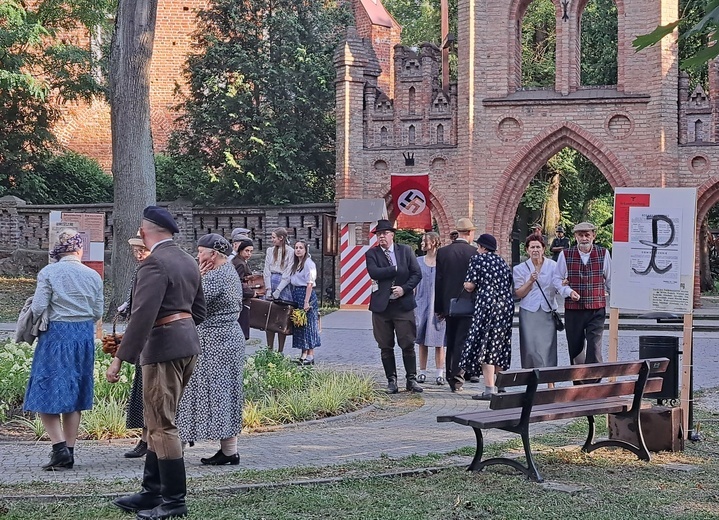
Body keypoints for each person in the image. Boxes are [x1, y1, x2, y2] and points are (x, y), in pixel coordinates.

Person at [107, 206, 206, 520]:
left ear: (146, 231)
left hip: (162, 348)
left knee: (162, 426)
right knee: (155, 421)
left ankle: (174, 502)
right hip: (186, 345)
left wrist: (120, 360)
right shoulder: (188, 260)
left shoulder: (154, 264)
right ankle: (151, 492)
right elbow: (199, 311)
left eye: (140, 230)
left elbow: (142, 317)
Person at [23, 229, 103, 470]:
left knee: (44, 390)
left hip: (56, 336)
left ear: (58, 248)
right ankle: (69, 450)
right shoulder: (93, 275)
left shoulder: (49, 272)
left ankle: (58, 449)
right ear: (80, 249)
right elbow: (98, 312)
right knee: (75, 394)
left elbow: (38, 307)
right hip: (82, 336)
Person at [176, 233, 244, 466]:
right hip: (227, 340)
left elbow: (189, 300)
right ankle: (229, 450)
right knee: (225, 392)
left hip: (214, 341)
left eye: (201, 252)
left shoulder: (217, 275)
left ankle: (176, 449)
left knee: (191, 392)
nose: (197, 255)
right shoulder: (228, 271)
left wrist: (198, 276)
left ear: (213, 254)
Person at [365, 219, 423, 394]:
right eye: (378, 234)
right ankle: (392, 380)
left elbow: (416, 274)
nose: (381, 237)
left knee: (407, 342)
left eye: (384, 233)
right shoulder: (372, 253)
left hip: (403, 305)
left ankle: (411, 379)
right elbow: (374, 272)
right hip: (382, 306)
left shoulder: (405, 251)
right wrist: (395, 269)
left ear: (392, 234)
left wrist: (404, 289)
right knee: (385, 345)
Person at [461, 233, 514, 401]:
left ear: (483, 247)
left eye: (479, 246)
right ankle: (501, 386)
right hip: (505, 307)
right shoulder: (502, 262)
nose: (477, 249)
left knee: (486, 346)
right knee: (500, 344)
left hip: (486, 307)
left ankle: (489, 389)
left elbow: (470, 285)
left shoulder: (478, 260)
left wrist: (465, 284)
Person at [554, 221, 611, 366]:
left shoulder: (603, 253)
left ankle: (594, 381)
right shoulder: (565, 254)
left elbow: (610, 279)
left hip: (596, 308)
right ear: (575, 237)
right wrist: (568, 291)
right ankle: (579, 382)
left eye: (587, 235)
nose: (584, 238)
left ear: (593, 236)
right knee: (576, 347)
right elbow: (557, 278)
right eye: (580, 235)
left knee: (594, 347)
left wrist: (615, 299)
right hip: (574, 310)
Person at [434, 218, 477, 393]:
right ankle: (458, 377)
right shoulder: (474, 253)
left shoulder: (443, 252)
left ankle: (451, 376)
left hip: (449, 305)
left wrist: (439, 308)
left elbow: (439, 282)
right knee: (462, 341)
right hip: (469, 304)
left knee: (450, 341)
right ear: (470, 233)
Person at [513, 235, 559, 387]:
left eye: (538, 247)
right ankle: (531, 383)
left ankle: (550, 383)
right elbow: (519, 294)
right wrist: (530, 281)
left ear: (543, 249)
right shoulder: (519, 269)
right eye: (532, 247)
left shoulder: (553, 266)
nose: (535, 250)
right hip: (529, 311)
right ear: (527, 250)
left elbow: (557, 286)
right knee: (530, 349)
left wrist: (563, 284)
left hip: (547, 311)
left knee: (548, 348)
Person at [121, 231, 151, 459]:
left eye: (142, 250)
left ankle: (148, 439)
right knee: (142, 388)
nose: (139, 255)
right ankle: (144, 437)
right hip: (141, 335)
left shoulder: (154, 269)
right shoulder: (138, 270)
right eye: (136, 251)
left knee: (150, 389)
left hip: (150, 336)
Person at [414, 232, 446, 385]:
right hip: (421, 304)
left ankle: (440, 372)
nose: (422, 243)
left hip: (438, 305)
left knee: (439, 340)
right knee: (421, 340)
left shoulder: (442, 262)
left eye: (425, 240)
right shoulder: (418, 261)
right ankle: (422, 371)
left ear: (433, 242)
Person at [289, 240, 321, 365]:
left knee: (309, 325)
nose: (298, 250)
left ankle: (310, 355)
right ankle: (303, 354)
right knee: (300, 324)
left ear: (305, 249)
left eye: (300, 248)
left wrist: (306, 302)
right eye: (296, 247)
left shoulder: (309, 263)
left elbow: (309, 283)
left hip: (306, 295)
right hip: (297, 294)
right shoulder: (296, 264)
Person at [262, 227, 293, 352]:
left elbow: (288, 272)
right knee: (269, 316)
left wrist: (279, 290)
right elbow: (266, 270)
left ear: (281, 238)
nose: (272, 240)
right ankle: (269, 349)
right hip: (271, 281)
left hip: (283, 285)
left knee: (281, 318)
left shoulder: (290, 251)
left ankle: (280, 350)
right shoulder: (270, 251)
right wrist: (269, 288)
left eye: (274, 237)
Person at [231, 236, 256, 340]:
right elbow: (238, 283)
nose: (249, 254)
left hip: (240, 300)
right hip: (241, 301)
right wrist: (252, 293)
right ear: (240, 250)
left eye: (251, 251)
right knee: (241, 332)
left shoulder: (239, 261)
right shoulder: (240, 263)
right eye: (246, 251)